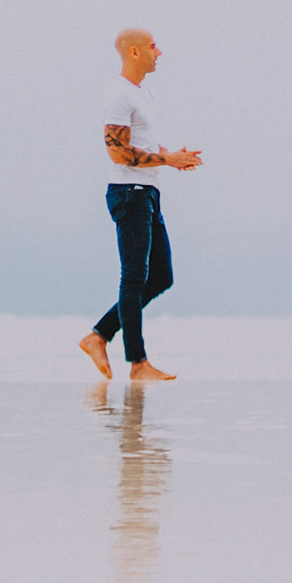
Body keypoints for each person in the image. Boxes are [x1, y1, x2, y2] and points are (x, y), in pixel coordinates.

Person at [79, 28, 201, 383]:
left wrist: (170, 156)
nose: (159, 52)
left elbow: (142, 143)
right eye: (152, 46)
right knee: (133, 278)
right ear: (134, 52)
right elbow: (117, 152)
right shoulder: (118, 95)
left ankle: (98, 336)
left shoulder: (140, 93)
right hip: (129, 191)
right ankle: (138, 363)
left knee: (161, 276)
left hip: (147, 192)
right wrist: (166, 161)